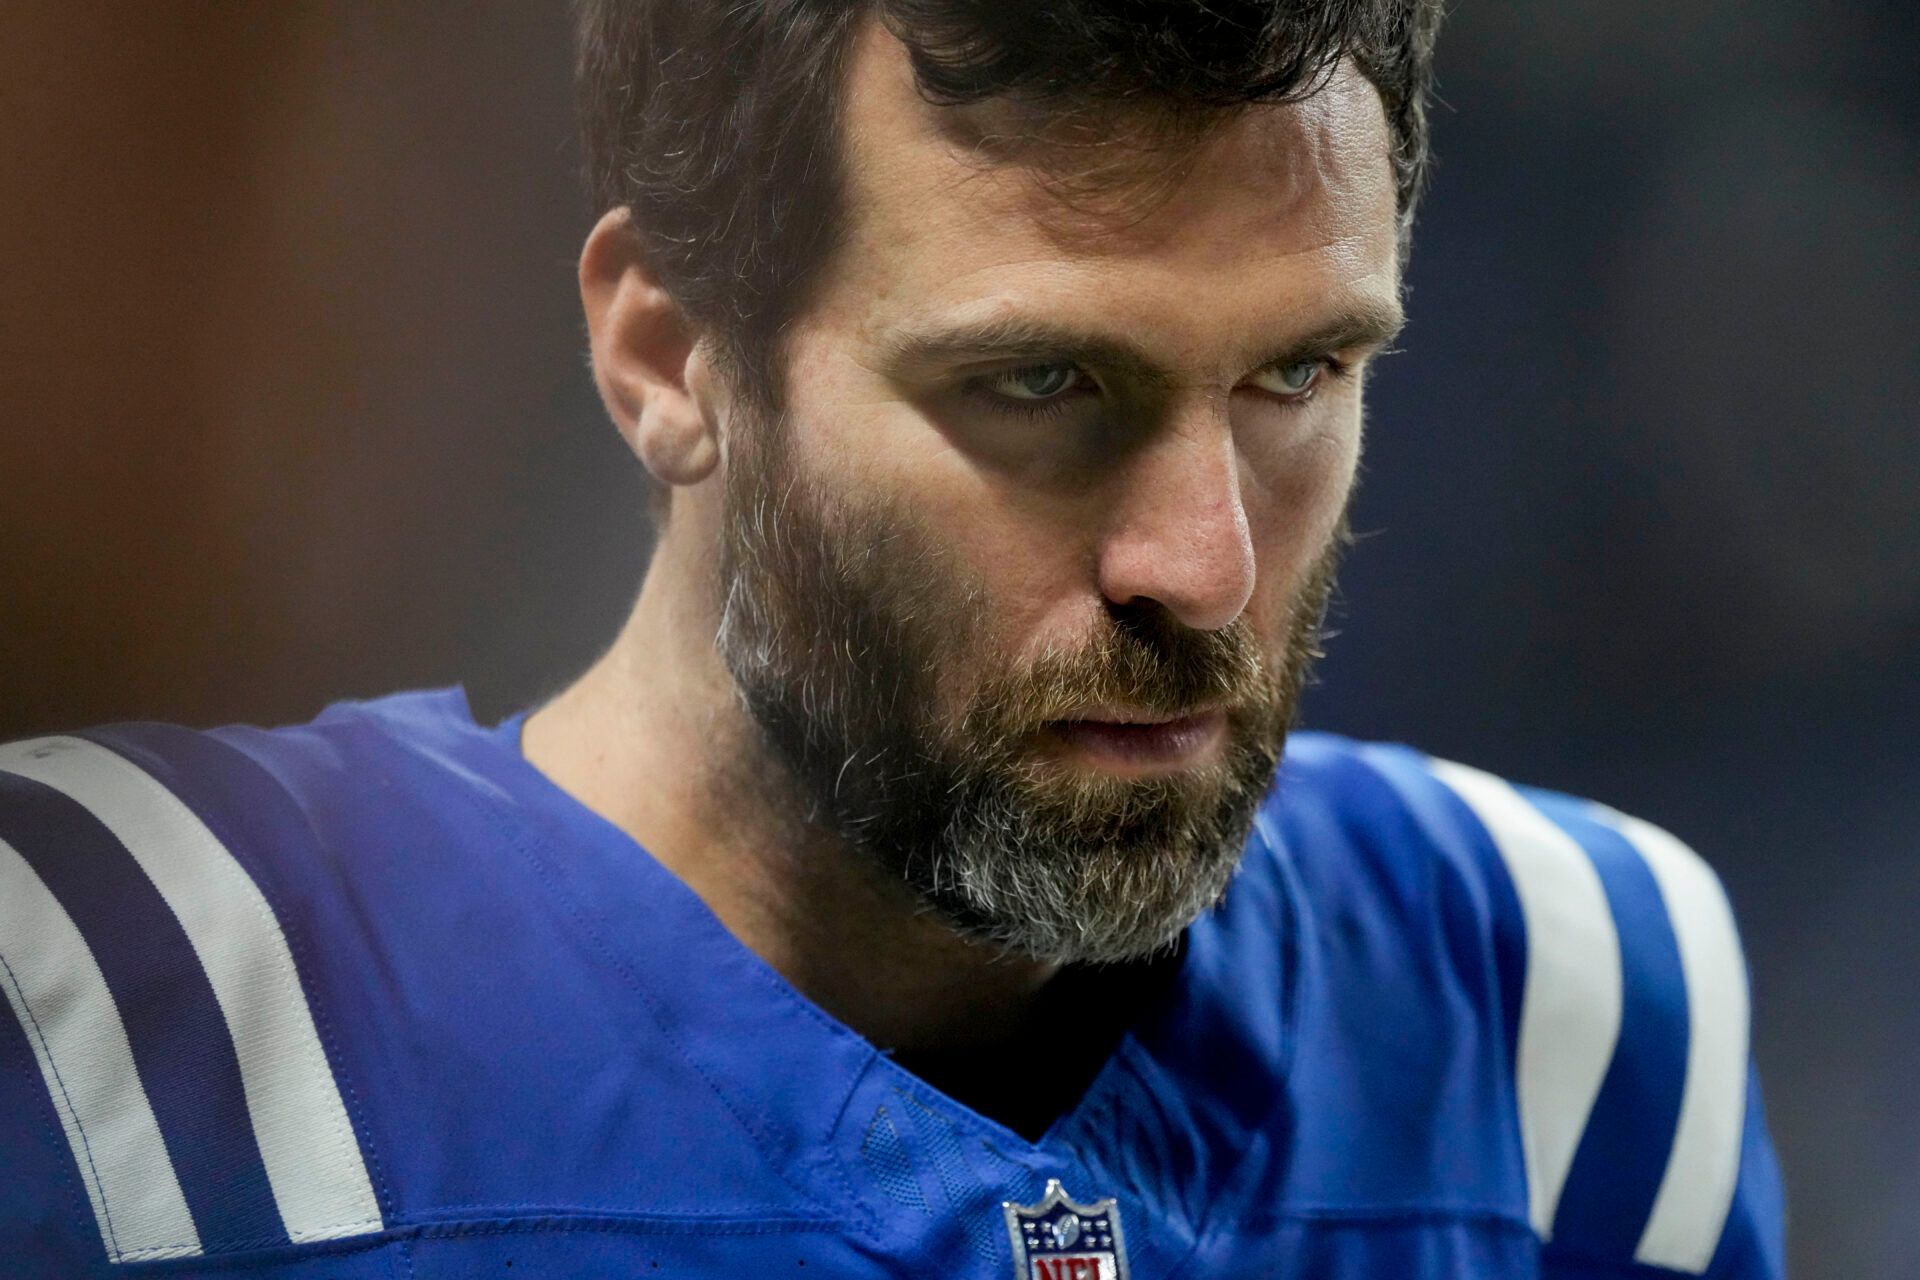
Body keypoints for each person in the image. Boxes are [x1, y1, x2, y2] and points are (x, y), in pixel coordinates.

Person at [0, 2, 1785, 1277]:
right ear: (665, 355)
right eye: (1040, 382)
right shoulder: (122, 1019)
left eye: (1299, 372)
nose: (1203, 566)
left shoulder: (1556, 1009)